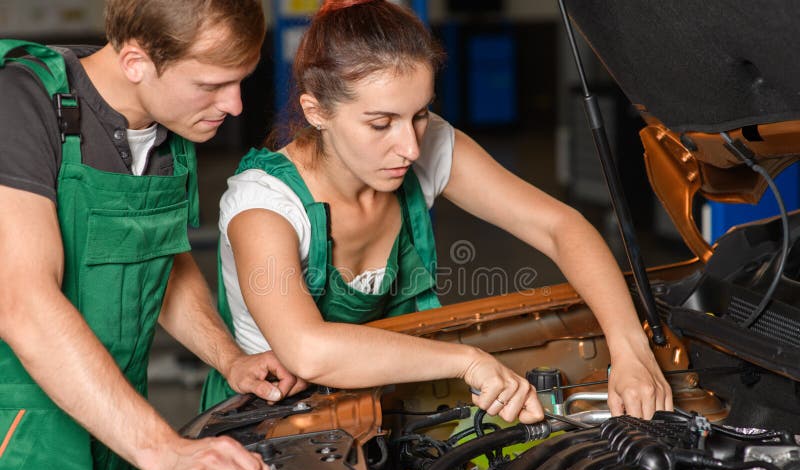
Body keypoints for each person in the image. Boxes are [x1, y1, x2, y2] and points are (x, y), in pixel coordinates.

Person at [201, 0, 672, 423]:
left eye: (420, 114)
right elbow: (308, 350)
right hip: (272, 421)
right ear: (316, 111)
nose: (409, 146)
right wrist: (466, 361)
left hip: (396, 399)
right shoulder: (263, 206)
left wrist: (629, 347)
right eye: (380, 123)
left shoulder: (427, 146)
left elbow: (558, 226)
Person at [0, 1, 306, 470]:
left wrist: (229, 358)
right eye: (211, 84)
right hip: (20, 445)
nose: (234, 106)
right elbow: (22, 302)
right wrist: (165, 450)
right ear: (137, 61)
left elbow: (160, 259)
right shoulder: (22, 103)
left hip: (116, 424)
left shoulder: (170, 127)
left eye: (240, 82)